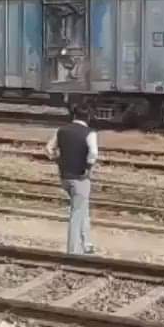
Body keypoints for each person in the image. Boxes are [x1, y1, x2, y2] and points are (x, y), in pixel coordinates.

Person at [46, 104, 99, 255]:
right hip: (81, 178)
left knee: (83, 208)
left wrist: (57, 160)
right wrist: (87, 168)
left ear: (74, 116)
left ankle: (87, 243)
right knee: (77, 213)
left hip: (64, 177)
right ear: (88, 117)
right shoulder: (90, 133)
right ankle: (73, 250)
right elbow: (94, 153)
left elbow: (49, 149)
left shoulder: (61, 131)